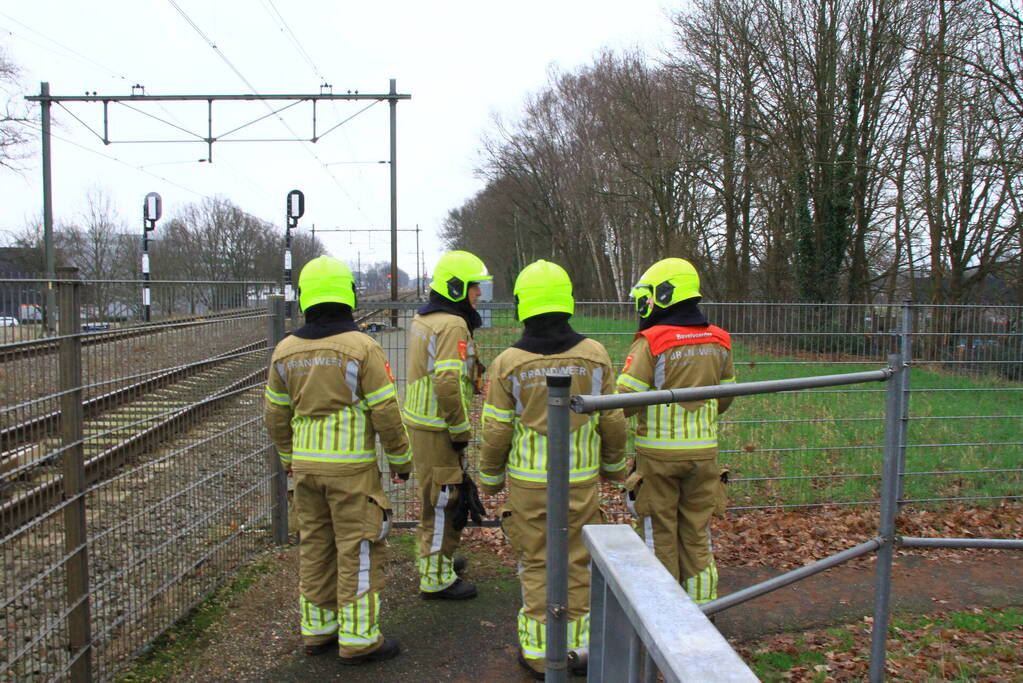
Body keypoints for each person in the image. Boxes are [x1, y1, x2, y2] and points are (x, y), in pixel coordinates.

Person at [478, 259, 627, 679]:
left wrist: (490, 479)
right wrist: (613, 467)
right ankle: (578, 650)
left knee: (537, 561)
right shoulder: (594, 355)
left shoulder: (508, 362)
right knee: (578, 562)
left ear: (522, 305)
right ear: (567, 302)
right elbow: (612, 418)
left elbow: (496, 429)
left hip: (529, 483)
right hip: (580, 479)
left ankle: (541, 653)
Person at [264, 256, 412, 666]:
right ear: (347, 295)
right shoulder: (362, 346)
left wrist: (289, 459)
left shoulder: (285, 350)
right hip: (352, 471)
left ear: (305, 298)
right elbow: (385, 411)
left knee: (314, 546)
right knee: (359, 548)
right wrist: (401, 461)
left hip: (306, 470)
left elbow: (275, 414)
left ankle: (318, 630)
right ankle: (360, 638)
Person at [615, 257, 735, 605]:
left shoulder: (652, 340)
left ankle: (664, 614)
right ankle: (703, 610)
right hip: (704, 457)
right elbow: (725, 397)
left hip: (658, 460)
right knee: (697, 535)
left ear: (662, 295)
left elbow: (626, 400)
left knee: (659, 536)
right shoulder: (720, 339)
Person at [403, 250, 490, 599]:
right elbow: (446, 383)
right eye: (474, 287)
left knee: (436, 498)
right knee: (444, 501)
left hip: (424, 423)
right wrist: (459, 428)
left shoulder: (427, 319)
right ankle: (436, 578)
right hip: (439, 426)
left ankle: (437, 562)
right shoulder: (452, 324)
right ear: (457, 288)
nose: (479, 294)